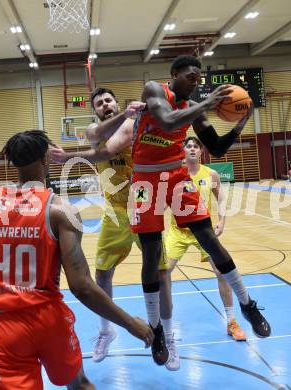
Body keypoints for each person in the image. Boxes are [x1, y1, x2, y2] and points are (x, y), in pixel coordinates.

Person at [0, 130, 153, 390]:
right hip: (49, 319)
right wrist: (129, 323)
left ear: (12, 163)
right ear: (45, 160)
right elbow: (82, 287)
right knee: (79, 385)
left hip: (3, 325)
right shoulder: (61, 211)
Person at [130, 55, 271, 365]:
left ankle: (247, 304)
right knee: (152, 254)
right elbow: (167, 121)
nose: (194, 81)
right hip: (145, 179)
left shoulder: (193, 109)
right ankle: (156, 329)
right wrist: (206, 104)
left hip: (178, 176)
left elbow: (216, 148)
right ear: (174, 74)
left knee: (209, 239)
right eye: (189, 76)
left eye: (198, 77)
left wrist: (241, 124)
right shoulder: (154, 91)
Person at [50, 89, 179, 370]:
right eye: (99, 103)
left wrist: (130, 115)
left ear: (117, 102)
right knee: (102, 274)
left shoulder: (134, 124)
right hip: (115, 211)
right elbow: (97, 139)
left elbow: (108, 151)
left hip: (144, 206)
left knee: (161, 274)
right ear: (95, 111)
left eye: (109, 100)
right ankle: (107, 331)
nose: (105, 104)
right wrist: (124, 112)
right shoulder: (95, 129)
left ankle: (168, 337)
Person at [161, 136, 246, 341]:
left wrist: (222, 221)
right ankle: (166, 327)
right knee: (163, 273)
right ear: (183, 152)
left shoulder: (211, 174)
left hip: (203, 231)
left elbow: (221, 197)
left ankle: (232, 321)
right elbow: (161, 203)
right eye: (188, 146)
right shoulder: (173, 175)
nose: (191, 149)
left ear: (201, 152)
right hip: (177, 231)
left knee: (221, 272)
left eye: (195, 146)